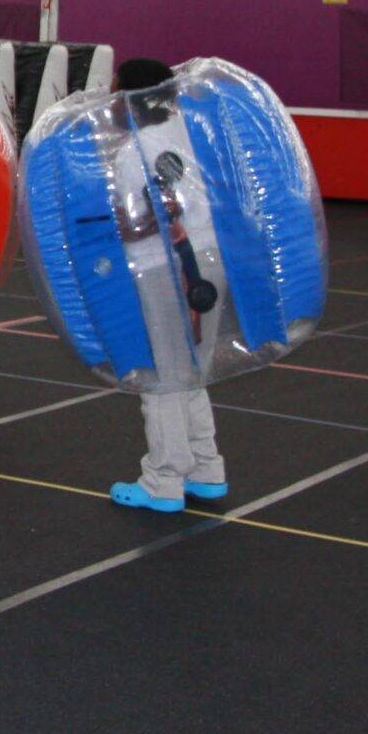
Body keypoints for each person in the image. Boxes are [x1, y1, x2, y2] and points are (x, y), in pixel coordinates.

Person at [105, 57, 228, 513]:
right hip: (209, 261)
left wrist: (108, 227)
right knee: (192, 368)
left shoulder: (133, 150)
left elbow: (147, 219)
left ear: (131, 95)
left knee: (162, 376)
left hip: (165, 269)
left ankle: (164, 479)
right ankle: (205, 468)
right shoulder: (190, 135)